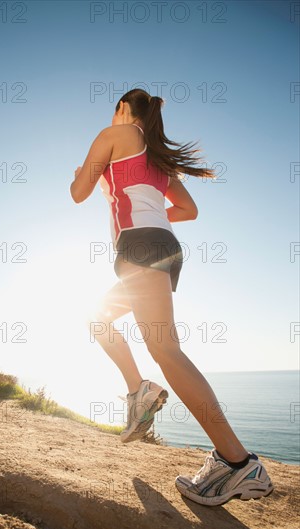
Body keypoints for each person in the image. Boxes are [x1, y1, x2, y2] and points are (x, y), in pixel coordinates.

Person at [69, 88, 274, 506]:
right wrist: (153, 211)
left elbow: (77, 192)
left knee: (165, 348)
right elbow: (188, 210)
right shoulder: (160, 160)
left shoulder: (115, 133)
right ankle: (139, 389)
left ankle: (238, 464)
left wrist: (82, 171)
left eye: (115, 109)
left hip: (138, 247)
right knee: (99, 318)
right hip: (164, 246)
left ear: (123, 109)